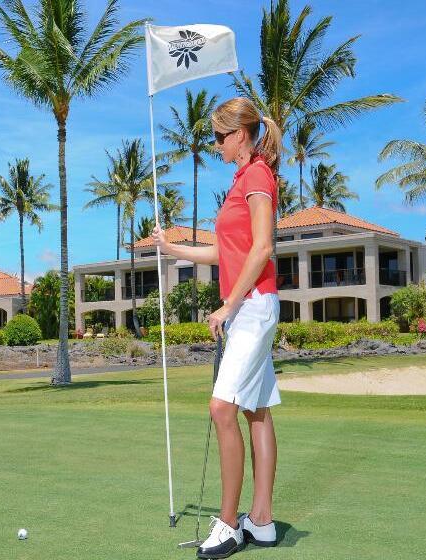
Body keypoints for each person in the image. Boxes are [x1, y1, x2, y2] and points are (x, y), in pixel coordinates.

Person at [153, 97, 282, 558]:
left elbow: (263, 246)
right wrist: (175, 250)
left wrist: (227, 305)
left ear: (241, 135)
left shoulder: (257, 175)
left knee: (221, 409)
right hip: (249, 305)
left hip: (252, 306)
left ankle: (228, 525)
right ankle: (261, 521)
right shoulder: (240, 180)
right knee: (256, 410)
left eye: (220, 136)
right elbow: (225, 252)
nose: (215, 145)